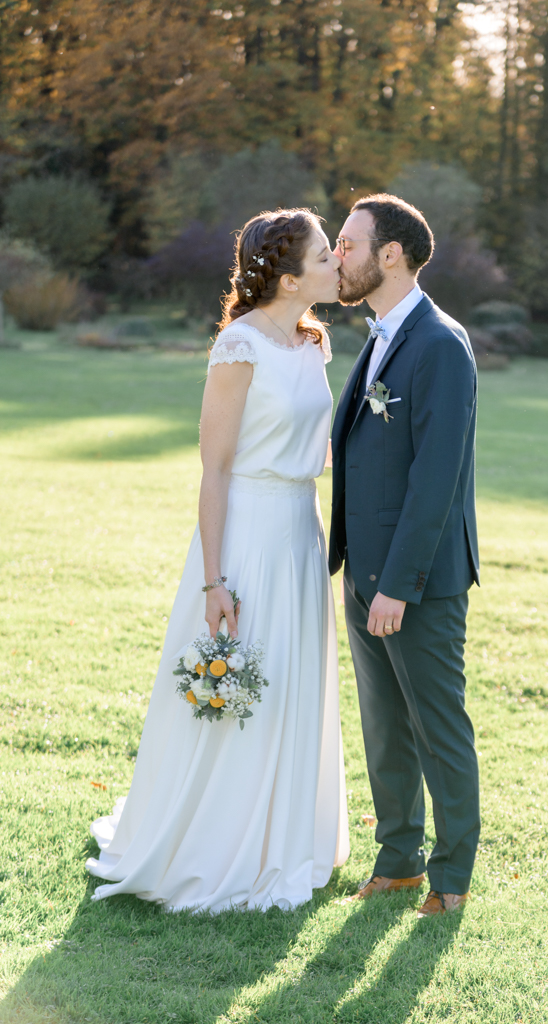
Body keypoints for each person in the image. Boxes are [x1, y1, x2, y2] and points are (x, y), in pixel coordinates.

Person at [87, 209, 349, 912]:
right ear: (289, 276)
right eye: (326, 256)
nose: (337, 264)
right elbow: (214, 469)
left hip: (301, 526)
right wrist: (214, 578)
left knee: (289, 679)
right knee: (242, 682)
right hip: (249, 534)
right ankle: (216, 842)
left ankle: (283, 835)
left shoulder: (311, 341)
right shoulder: (239, 346)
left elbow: (316, 444)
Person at [329, 194, 480, 918]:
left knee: (435, 725)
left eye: (346, 244)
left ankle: (450, 877)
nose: (336, 256)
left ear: (389, 254)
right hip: (364, 573)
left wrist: (396, 585)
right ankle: (397, 859)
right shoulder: (380, 334)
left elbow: (435, 479)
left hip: (414, 582)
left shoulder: (441, 344)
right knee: (384, 725)